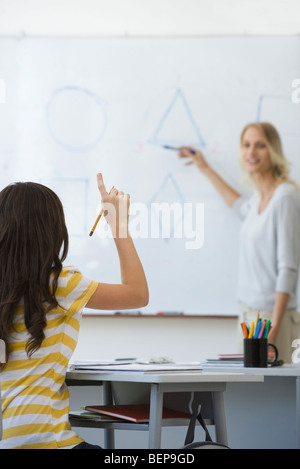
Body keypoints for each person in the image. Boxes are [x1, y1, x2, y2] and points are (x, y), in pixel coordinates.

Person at [0, 173, 149, 449]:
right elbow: (138, 294)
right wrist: (118, 225)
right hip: (49, 440)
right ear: (52, 231)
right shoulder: (59, 283)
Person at [179, 122, 300, 363]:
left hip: (273, 318)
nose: (251, 152)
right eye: (246, 145)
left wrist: (273, 330)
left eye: (260, 145)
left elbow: (288, 268)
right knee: (247, 394)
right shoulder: (257, 200)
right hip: (249, 316)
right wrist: (205, 168)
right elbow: (237, 205)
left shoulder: (285, 196)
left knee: (275, 397)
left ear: (273, 150)